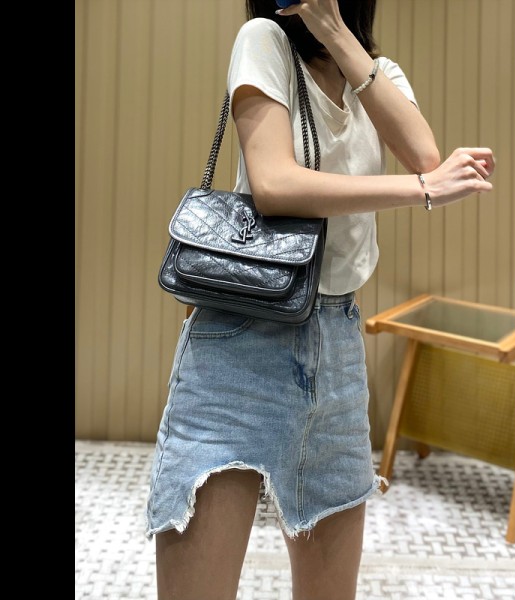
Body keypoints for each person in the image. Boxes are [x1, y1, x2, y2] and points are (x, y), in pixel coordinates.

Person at [145, 1, 495, 598]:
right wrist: (419, 190)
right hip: (240, 344)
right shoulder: (264, 40)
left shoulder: (380, 74)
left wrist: (335, 32)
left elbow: (424, 156)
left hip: (337, 347)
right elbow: (274, 184)